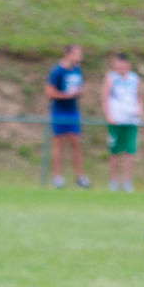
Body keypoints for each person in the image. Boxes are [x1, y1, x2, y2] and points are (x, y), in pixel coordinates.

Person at [45, 44, 90, 189]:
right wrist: (67, 96)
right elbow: (50, 92)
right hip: (59, 111)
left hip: (73, 111)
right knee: (58, 144)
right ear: (68, 54)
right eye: (77, 54)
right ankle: (58, 177)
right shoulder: (57, 71)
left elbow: (80, 88)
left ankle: (80, 177)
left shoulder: (77, 70)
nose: (79, 57)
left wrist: (79, 93)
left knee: (76, 143)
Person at [102, 52, 142, 192]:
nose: (121, 69)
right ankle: (113, 181)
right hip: (116, 120)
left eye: (124, 66)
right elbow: (105, 98)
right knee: (114, 151)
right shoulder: (111, 78)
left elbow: (138, 97)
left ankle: (127, 182)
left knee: (130, 151)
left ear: (128, 66)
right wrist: (109, 115)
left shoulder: (134, 78)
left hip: (131, 120)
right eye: (118, 66)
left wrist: (139, 110)